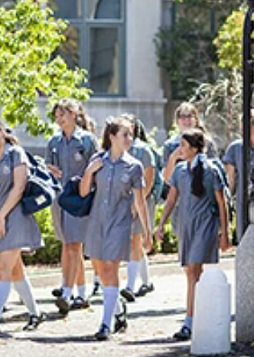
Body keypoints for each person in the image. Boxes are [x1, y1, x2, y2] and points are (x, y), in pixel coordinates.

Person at [0, 117, 47, 335]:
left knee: (2, 267)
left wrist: (2, 215)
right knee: (14, 270)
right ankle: (35, 313)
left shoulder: (16, 154)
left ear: (0, 133)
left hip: (15, 217)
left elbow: (19, 187)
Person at [81, 117, 152, 341]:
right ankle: (118, 308)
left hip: (120, 223)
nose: (129, 139)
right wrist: (89, 171)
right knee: (101, 270)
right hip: (96, 222)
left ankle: (105, 324)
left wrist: (148, 232)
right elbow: (83, 192)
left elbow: (140, 202)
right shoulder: (97, 160)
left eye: (131, 134)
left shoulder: (134, 166)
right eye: (125, 134)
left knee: (111, 268)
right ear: (112, 137)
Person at [155, 130, 230, 341]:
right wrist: (160, 224)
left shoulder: (210, 170)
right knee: (190, 272)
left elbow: (221, 203)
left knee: (195, 268)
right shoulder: (179, 171)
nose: (180, 149)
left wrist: (225, 233)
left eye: (184, 145)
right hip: (186, 225)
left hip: (205, 224)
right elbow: (170, 200)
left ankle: (189, 322)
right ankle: (198, 316)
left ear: (195, 148)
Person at [46, 99, 98, 313]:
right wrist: (50, 170)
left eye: (63, 115)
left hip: (79, 198)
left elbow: (96, 167)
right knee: (67, 244)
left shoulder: (86, 140)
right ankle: (80, 292)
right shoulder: (54, 142)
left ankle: (68, 292)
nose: (59, 119)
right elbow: (48, 166)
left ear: (74, 114)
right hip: (60, 198)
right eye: (57, 116)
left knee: (75, 245)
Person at [120, 114, 158, 301]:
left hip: (142, 202)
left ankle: (129, 286)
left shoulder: (144, 151)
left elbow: (149, 181)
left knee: (135, 241)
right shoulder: (117, 150)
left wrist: (137, 204)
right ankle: (146, 281)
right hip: (124, 203)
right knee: (135, 244)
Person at [221, 111, 254, 196]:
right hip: (243, 203)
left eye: (252, 122)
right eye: (243, 121)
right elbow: (230, 181)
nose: (248, 125)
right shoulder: (235, 148)